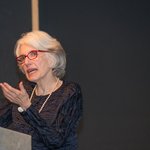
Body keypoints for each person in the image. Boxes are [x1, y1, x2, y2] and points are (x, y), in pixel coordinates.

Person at [0, 31, 83, 150]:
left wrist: (27, 107)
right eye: (22, 58)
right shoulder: (25, 91)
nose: (26, 62)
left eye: (33, 54)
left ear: (52, 57)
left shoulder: (70, 92)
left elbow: (55, 140)